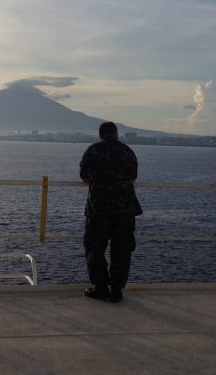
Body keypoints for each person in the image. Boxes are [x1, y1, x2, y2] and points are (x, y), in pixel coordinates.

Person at [79, 121, 142, 303]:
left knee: (95, 248)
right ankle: (116, 290)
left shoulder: (93, 150)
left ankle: (100, 287)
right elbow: (132, 177)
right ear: (116, 134)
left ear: (100, 134)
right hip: (125, 209)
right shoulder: (127, 151)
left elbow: (84, 177)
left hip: (99, 208)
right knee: (122, 249)